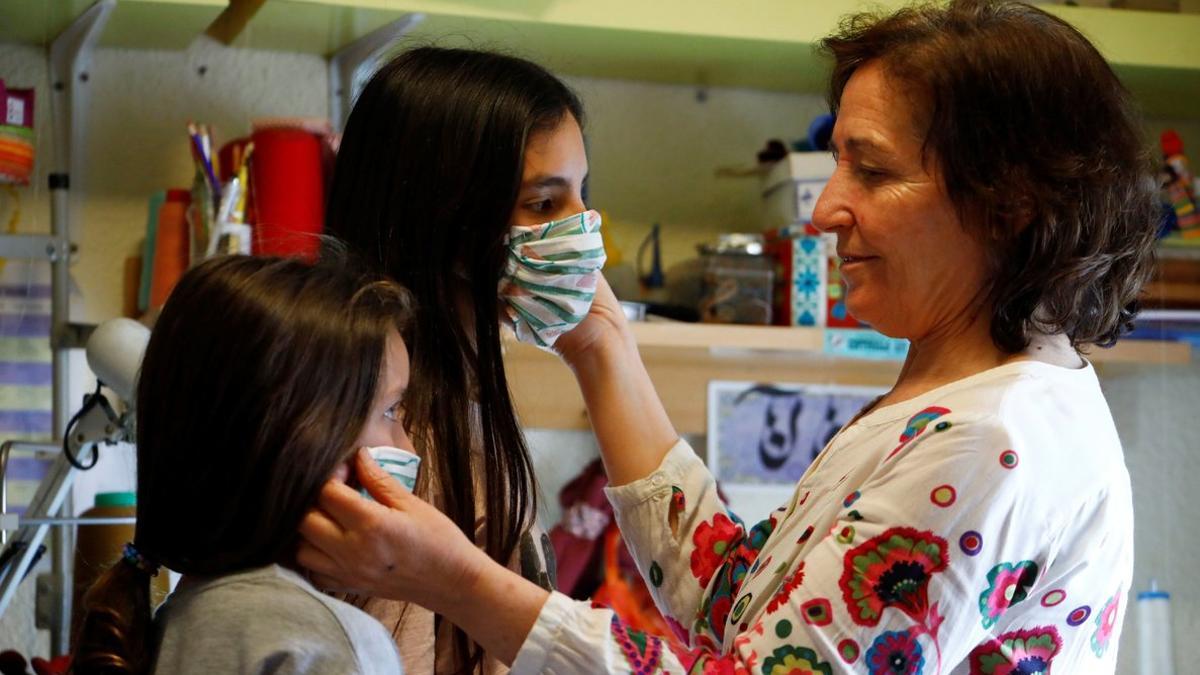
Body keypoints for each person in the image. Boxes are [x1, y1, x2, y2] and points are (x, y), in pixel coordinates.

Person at [298, 1, 1158, 672]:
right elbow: (739, 600)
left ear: (1007, 202)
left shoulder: (990, 443)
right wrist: (602, 343)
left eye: (874, 169)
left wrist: (458, 579)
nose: (824, 209)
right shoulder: (964, 403)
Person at [322, 47, 592, 673]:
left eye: (582, 194)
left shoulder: (454, 409)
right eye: (545, 205)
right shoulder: (396, 443)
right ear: (442, 216)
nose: (586, 229)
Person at [71, 255, 409, 674]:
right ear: (305, 445)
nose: (408, 444)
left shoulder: (182, 619)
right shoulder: (325, 643)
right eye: (392, 411)